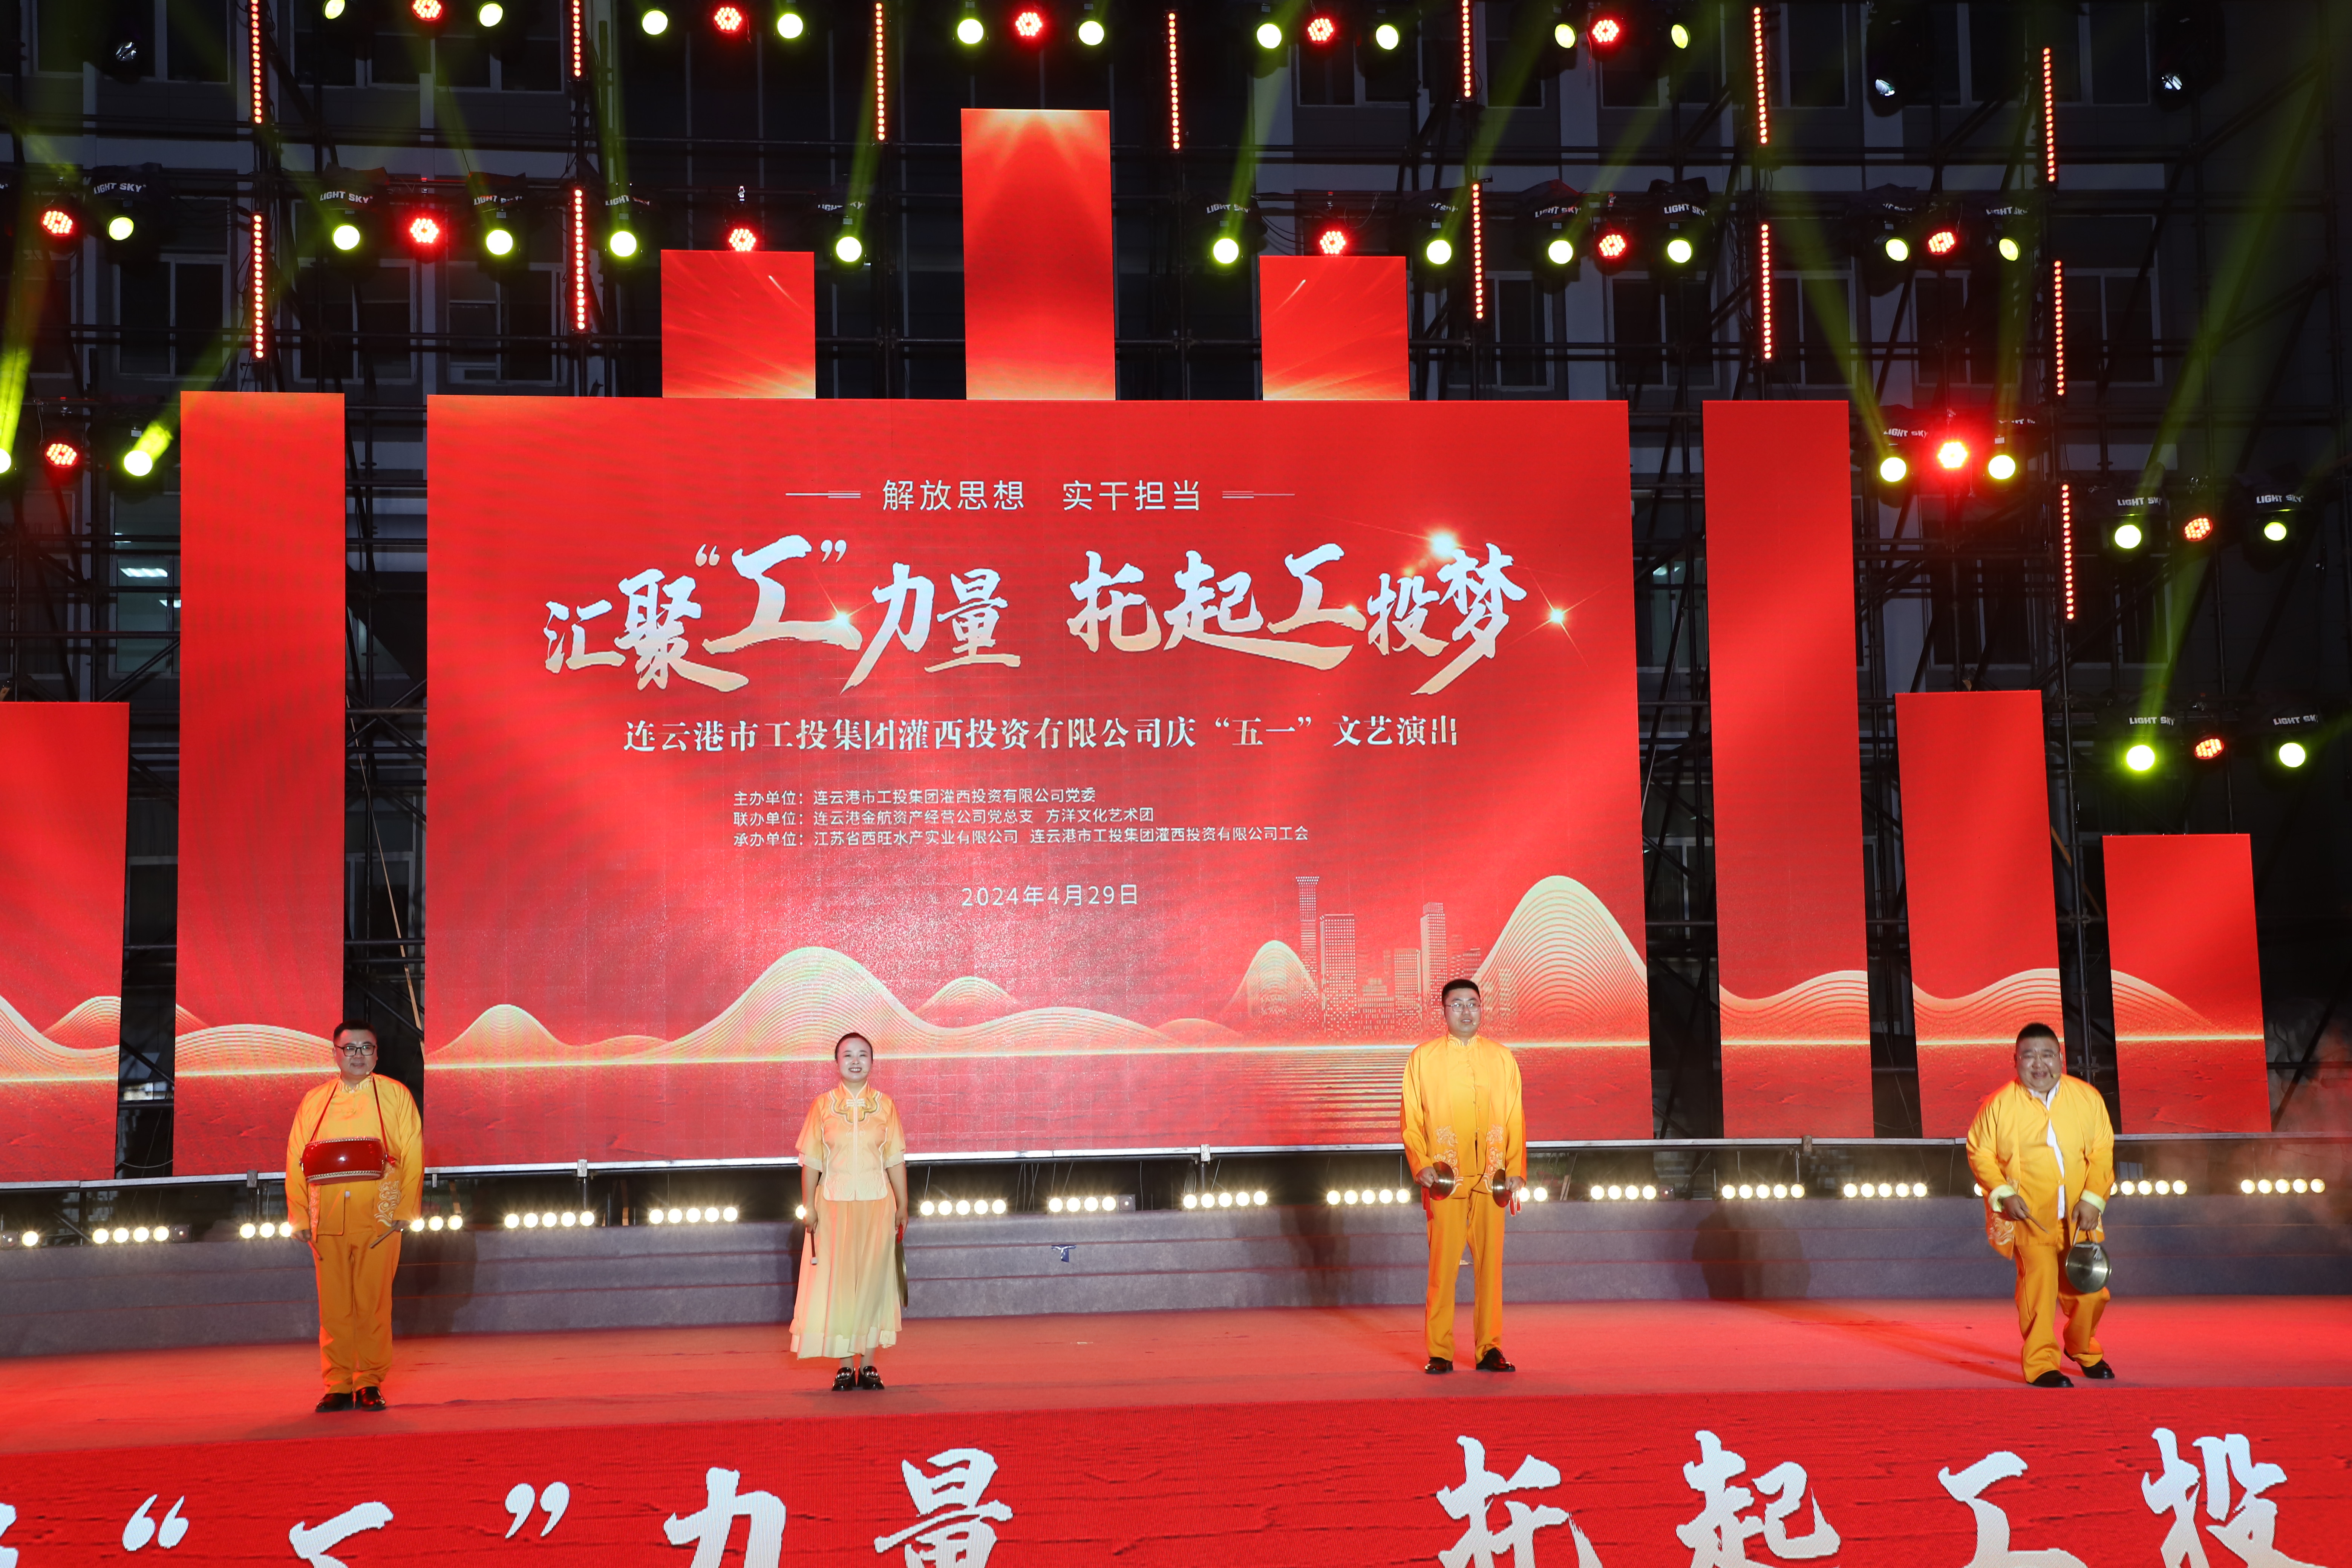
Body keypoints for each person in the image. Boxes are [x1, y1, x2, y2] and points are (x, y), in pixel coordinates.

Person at [1965, 1021, 2116, 1388]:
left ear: (2061, 1058)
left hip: (2079, 1219)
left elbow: (2102, 1151)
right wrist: (2003, 1193)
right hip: (2030, 1219)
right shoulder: (1998, 1105)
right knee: (2039, 1290)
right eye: (2029, 1056)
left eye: (2047, 1055)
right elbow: (1980, 1152)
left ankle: (2082, 1348)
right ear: (2015, 1060)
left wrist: (2093, 1199)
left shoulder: (2087, 1098)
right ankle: (2041, 1364)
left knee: (2092, 1293)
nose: (2039, 1064)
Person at [285, 1021, 423, 1413]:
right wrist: (299, 1215)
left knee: (373, 1303)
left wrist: (405, 1210)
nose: (358, 1055)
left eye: (366, 1048)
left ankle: (369, 1381)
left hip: (379, 1219)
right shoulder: (315, 1101)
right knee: (334, 1307)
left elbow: (413, 1153)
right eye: (350, 1048)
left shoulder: (396, 1096)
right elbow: (296, 1159)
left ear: (377, 1054)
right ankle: (338, 1382)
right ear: (336, 1053)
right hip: (326, 1218)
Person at [1402, 978, 1526, 1375]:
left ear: (1482, 1008)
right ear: (1444, 1010)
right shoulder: (1423, 1058)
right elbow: (1411, 1118)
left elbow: (1515, 1118)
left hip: (1492, 1177)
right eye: (1457, 1004)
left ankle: (1490, 1348)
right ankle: (1439, 1350)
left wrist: (1516, 1169)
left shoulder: (1502, 1058)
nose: (1466, 1011)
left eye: (1473, 1003)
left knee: (1491, 1268)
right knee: (1443, 1267)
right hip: (1445, 1178)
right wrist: (1420, 1162)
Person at [790, 1032, 909, 1389]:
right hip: (833, 1207)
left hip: (877, 1205)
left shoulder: (886, 1106)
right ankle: (845, 1364)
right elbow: (812, 1162)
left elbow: (894, 1159)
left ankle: (868, 1364)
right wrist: (809, 1206)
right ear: (837, 1062)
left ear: (872, 1061)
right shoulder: (822, 1106)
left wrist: (903, 1204)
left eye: (862, 1055)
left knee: (873, 1283)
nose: (855, 1061)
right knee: (840, 1286)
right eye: (848, 1055)